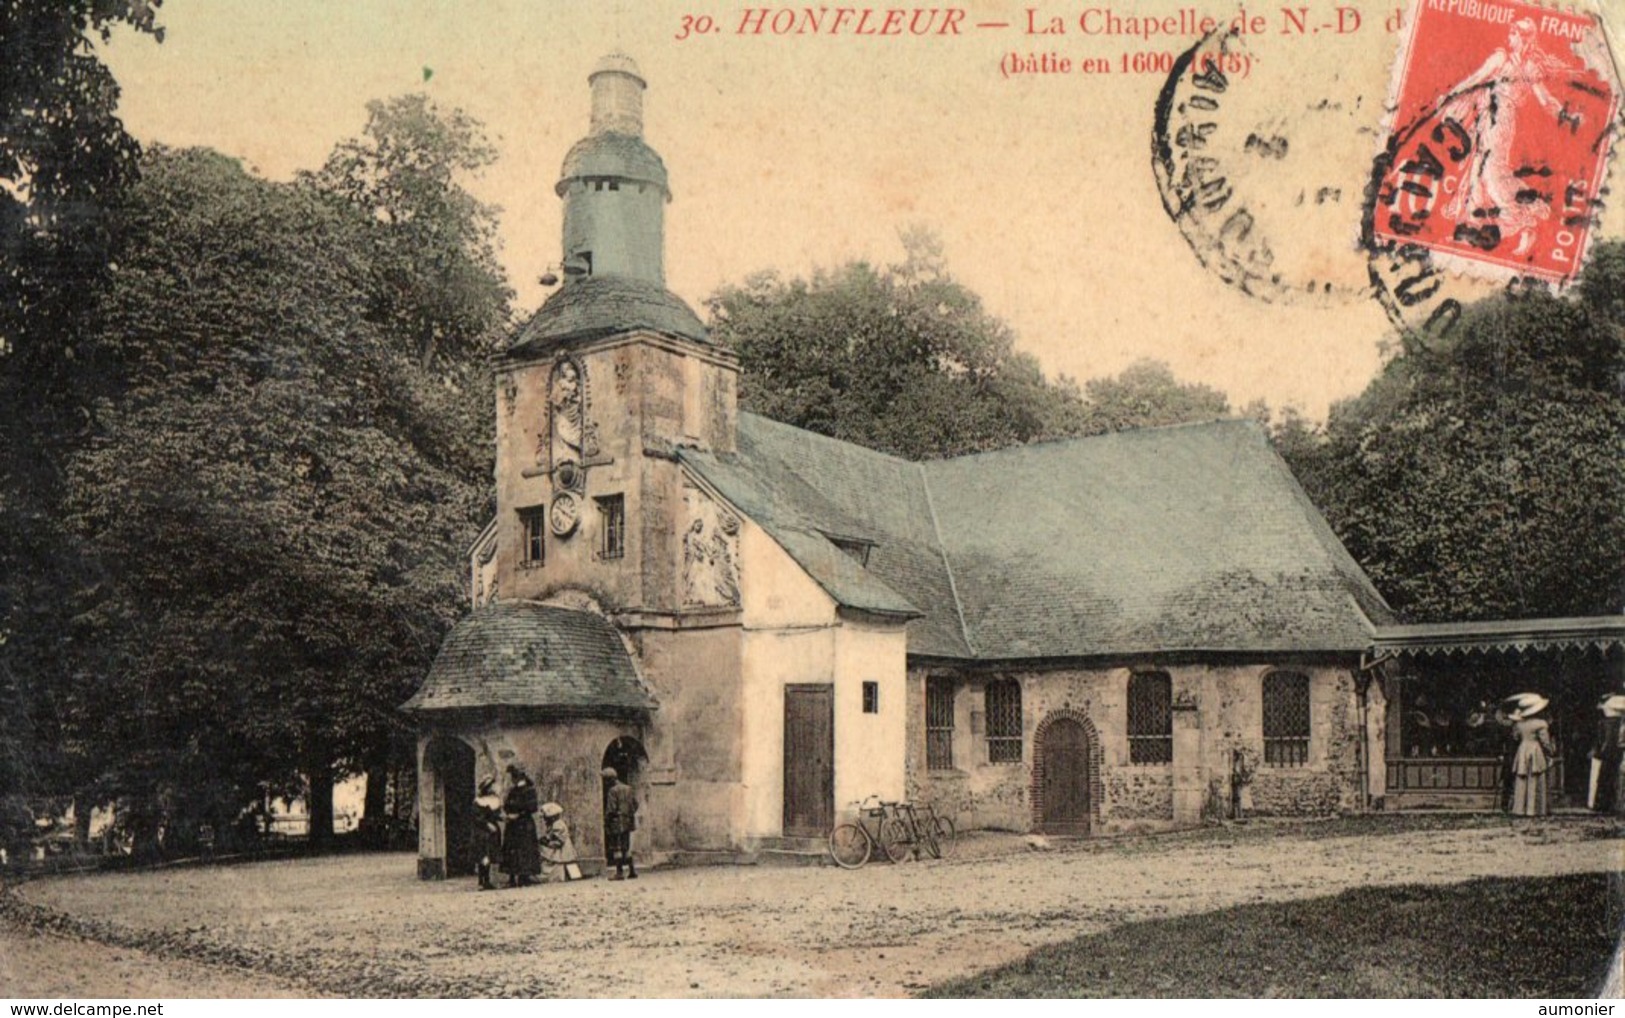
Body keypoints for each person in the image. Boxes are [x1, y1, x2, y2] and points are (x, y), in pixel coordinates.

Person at [1507, 694, 1556, 817]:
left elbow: (1515, 737)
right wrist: (1550, 752)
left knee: (1522, 778)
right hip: (1535, 749)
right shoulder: (1541, 723)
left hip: (1523, 749)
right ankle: (1534, 809)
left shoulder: (1519, 723)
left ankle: (1520, 809)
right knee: (1535, 778)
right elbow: (1545, 742)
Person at [501, 764, 542, 887]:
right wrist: (509, 814)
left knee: (525, 848)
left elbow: (532, 807)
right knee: (511, 849)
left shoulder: (529, 790)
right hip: (513, 825)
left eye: (514, 777)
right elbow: (507, 804)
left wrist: (518, 814)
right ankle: (512, 877)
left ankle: (525, 876)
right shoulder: (513, 791)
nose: (513, 780)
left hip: (524, 824)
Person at [1590, 694, 1625, 813]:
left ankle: (1604, 804)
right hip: (1614, 752)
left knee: (1605, 777)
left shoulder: (1608, 722)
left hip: (1609, 752)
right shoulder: (1616, 722)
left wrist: (1601, 752)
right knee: (1610, 777)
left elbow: (1606, 741)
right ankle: (1608, 804)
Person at [603, 766, 638, 880]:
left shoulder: (612, 791)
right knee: (626, 846)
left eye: (606, 780)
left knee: (616, 847)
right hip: (628, 821)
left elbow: (611, 809)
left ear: (610, 780)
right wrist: (628, 814)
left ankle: (619, 872)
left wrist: (607, 820)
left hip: (616, 822)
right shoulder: (628, 788)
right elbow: (635, 804)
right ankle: (632, 871)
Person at [539, 802, 583, 883]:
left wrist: (547, 841)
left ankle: (573, 876)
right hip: (561, 847)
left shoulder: (557, 825)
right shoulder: (555, 824)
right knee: (568, 862)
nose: (545, 820)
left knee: (564, 861)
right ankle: (573, 876)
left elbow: (558, 839)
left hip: (562, 847)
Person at [473, 776, 504, 891]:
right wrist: (487, 824)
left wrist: (502, 818)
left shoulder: (495, 800)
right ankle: (482, 880)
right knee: (483, 855)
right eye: (491, 786)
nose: (493, 788)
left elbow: (497, 814)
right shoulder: (478, 802)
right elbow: (477, 817)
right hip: (482, 831)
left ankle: (489, 880)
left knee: (491, 855)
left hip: (493, 831)